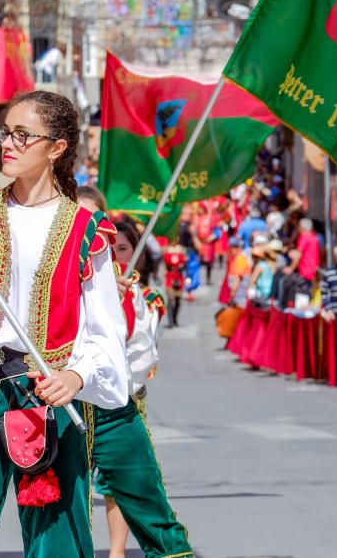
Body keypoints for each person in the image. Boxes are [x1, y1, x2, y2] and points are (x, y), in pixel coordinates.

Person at [0, 91, 128, 557]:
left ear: (56, 147)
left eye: (22, 135)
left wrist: (76, 375)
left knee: (58, 543)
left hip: (49, 400)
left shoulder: (86, 231)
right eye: (5, 133)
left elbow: (106, 331)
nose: (7, 144)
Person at [94, 219, 192, 558]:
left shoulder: (146, 297)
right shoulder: (83, 285)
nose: (116, 255)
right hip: (79, 394)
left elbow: (145, 352)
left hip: (123, 398)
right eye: (110, 248)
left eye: (123, 248)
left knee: (122, 481)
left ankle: (117, 552)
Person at [277, 218, 319, 307]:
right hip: (312, 272)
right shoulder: (314, 237)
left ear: (302, 227)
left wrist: (291, 268)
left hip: (304, 272)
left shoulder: (304, 237)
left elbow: (298, 255)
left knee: (287, 285)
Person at [163, 242, 188, 327]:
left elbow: (185, 263)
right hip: (170, 278)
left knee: (178, 300)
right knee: (170, 300)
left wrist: (183, 265)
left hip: (179, 277)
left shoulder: (182, 249)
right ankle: (170, 321)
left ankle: (174, 318)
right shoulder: (166, 249)